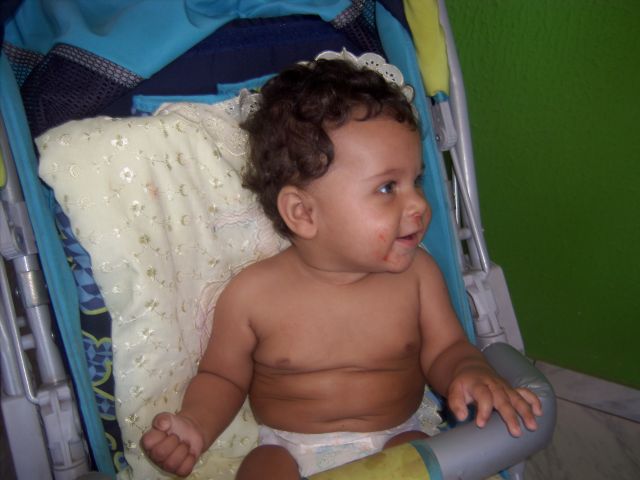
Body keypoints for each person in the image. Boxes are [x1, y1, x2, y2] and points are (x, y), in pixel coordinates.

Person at [141, 57, 542, 479]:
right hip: (287, 449)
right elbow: (222, 377)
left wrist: (469, 372)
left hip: (396, 438)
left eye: (417, 181)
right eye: (387, 187)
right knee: (261, 470)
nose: (419, 205)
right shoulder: (252, 295)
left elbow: (447, 349)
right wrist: (196, 426)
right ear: (303, 213)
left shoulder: (418, 276)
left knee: (424, 460)